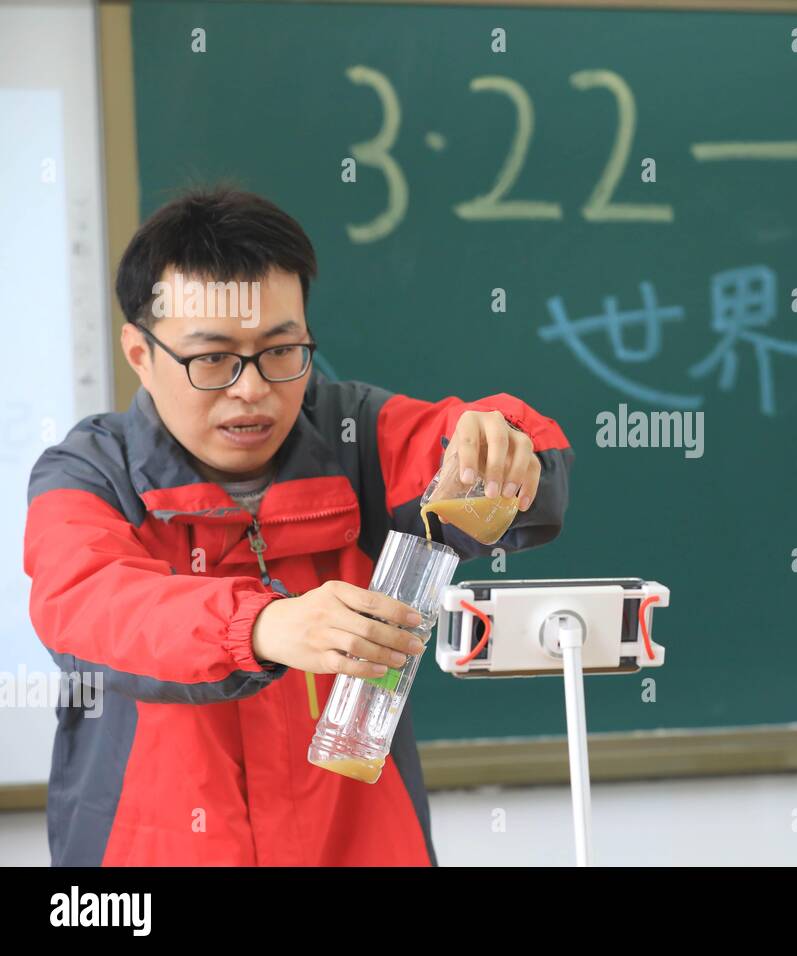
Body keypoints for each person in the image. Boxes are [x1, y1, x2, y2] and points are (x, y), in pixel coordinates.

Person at [23, 187, 574, 865]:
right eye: (213, 358)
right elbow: (83, 601)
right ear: (140, 352)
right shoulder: (89, 472)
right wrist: (259, 626)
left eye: (281, 351)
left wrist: (507, 446)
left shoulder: (356, 437)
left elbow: (457, 441)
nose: (251, 389)